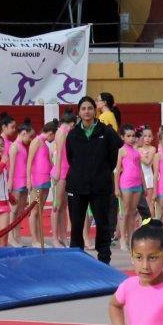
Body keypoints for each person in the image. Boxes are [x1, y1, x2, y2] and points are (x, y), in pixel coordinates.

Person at [65, 95, 123, 262]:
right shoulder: (73, 134)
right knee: (76, 226)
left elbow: (114, 156)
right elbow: (71, 158)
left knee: (102, 225)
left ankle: (104, 260)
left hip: (100, 187)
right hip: (77, 187)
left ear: (95, 110)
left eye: (90, 108)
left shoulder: (106, 132)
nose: (87, 111)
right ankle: (76, 262)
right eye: (83, 109)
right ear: (79, 112)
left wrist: (102, 172)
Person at [115, 124, 144, 252]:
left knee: (132, 212)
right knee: (124, 212)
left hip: (137, 184)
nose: (131, 138)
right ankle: (122, 239)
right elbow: (117, 171)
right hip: (126, 183)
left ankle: (131, 238)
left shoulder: (137, 151)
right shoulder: (122, 150)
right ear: (122, 137)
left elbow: (140, 169)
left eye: (133, 136)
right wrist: (116, 187)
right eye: (128, 136)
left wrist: (143, 184)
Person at [27, 120, 56, 246]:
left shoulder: (44, 144)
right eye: (54, 136)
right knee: (34, 211)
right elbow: (29, 162)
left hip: (45, 180)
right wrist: (29, 179)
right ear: (50, 133)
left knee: (40, 211)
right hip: (37, 181)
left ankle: (40, 240)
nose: (54, 139)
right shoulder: (36, 141)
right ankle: (35, 240)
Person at [8, 118, 34, 246]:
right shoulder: (14, 147)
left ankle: (17, 236)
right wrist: (10, 182)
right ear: (23, 133)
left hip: (24, 182)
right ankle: (11, 237)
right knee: (13, 210)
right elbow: (11, 167)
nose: (30, 140)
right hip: (17, 183)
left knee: (20, 211)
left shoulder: (23, 147)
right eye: (29, 137)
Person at [51, 111, 74, 247]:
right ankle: (55, 238)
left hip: (67, 171)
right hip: (61, 172)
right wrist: (58, 171)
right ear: (71, 123)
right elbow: (59, 153)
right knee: (57, 206)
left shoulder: (66, 131)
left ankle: (63, 236)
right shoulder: (61, 131)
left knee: (64, 206)